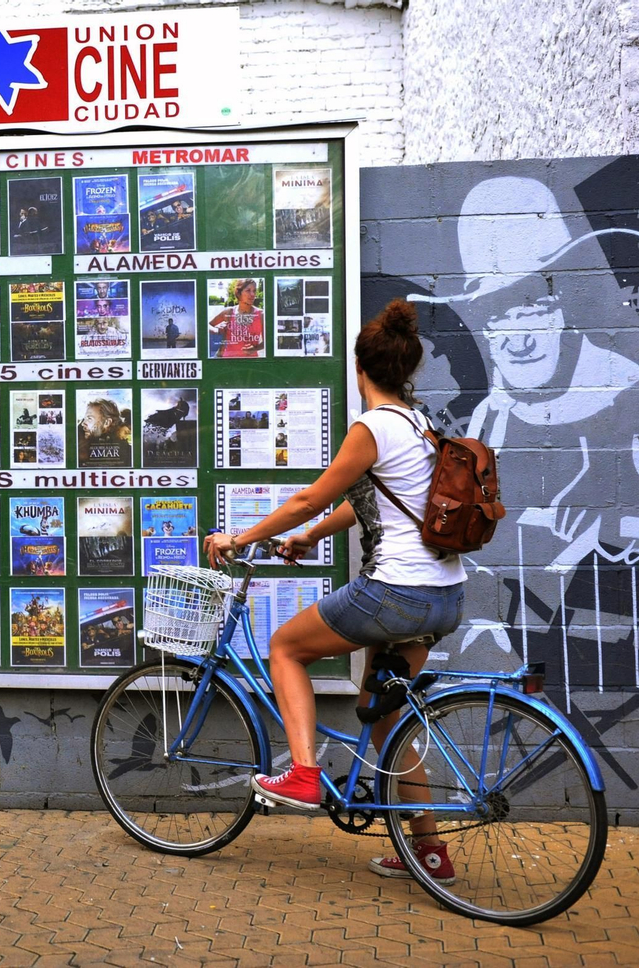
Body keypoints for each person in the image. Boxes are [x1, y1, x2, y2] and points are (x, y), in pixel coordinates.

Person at [204, 299, 467, 883]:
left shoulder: (372, 426)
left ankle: (300, 772)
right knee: (386, 716)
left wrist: (241, 538)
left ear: (360, 369)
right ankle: (429, 852)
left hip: (395, 592)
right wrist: (308, 537)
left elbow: (311, 495)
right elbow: (367, 503)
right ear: (406, 370)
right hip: (443, 594)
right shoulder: (420, 423)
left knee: (285, 648)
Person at [208, 280, 264, 358]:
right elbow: (207, 325)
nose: (253, 294)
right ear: (238, 293)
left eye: (254, 291)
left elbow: (268, 341)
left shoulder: (261, 314)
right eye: (248, 290)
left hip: (251, 363)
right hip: (227, 361)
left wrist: (255, 349)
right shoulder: (229, 312)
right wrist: (216, 330)